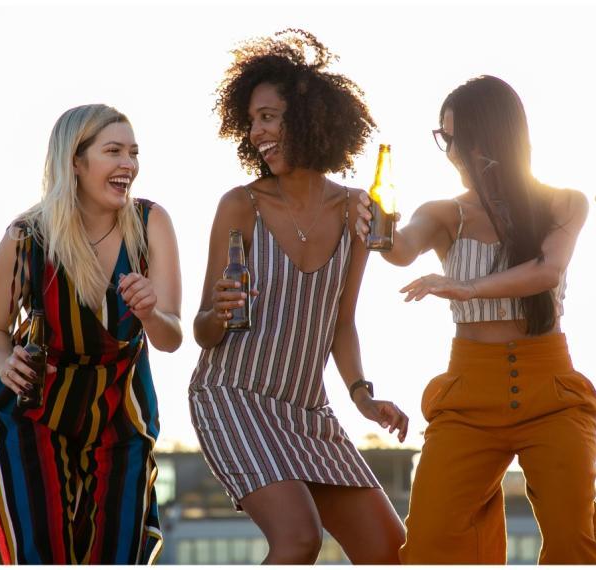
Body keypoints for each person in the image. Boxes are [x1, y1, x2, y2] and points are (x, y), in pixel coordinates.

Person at [0, 104, 183, 564]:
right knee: (41, 552)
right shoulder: (25, 236)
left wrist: (150, 311)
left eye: (133, 152)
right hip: (37, 416)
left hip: (122, 416)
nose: (129, 164)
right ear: (75, 160)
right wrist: (4, 361)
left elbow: (170, 337)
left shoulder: (151, 224)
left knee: (120, 552)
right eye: (113, 151)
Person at [356, 75, 596, 564]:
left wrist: (465, 288)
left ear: (495, 136)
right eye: (443, 139)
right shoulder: (445, 212)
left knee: (574, 541)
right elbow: (400, 249)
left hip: (552, 393)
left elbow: (547, 271)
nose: (451, 153)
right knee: (431, 541)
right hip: (468, 395)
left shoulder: (563, 203)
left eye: (456, 139)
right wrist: (376, 224)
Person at [188, 29, 408, 564]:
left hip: (308, 410)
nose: (257, 131)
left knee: (390, 549)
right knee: (299, 539)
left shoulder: (356, 208)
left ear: (308, 118)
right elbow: (202, 329)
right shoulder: (240, 205)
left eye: (268, 116)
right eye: (252, 120)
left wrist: (362, 395)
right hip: (231, 396)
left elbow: (341, 324)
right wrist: (217, 311)